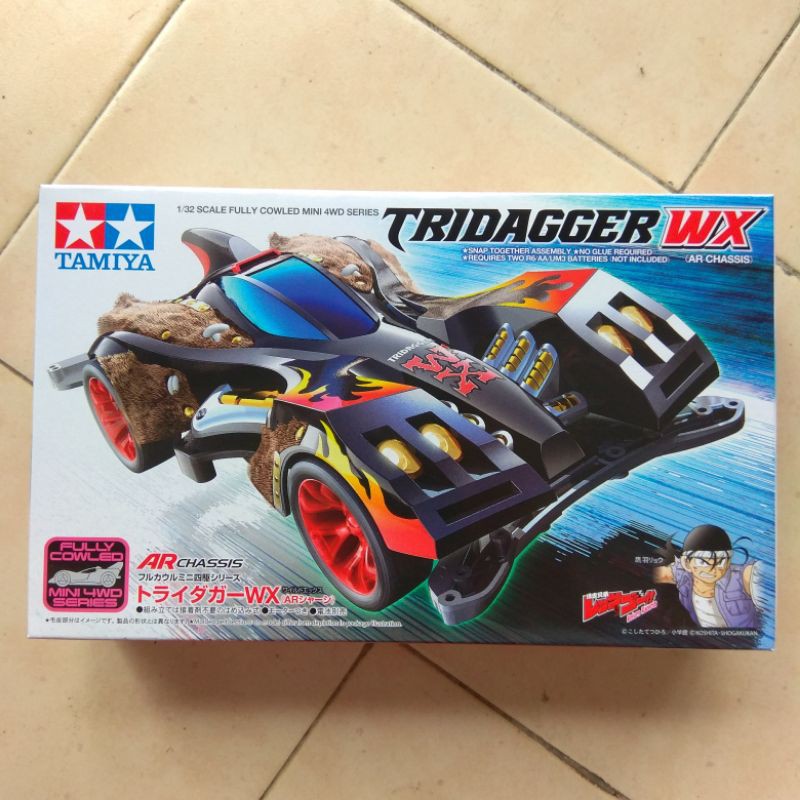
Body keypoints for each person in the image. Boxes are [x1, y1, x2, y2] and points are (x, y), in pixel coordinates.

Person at [653, 524, 766, 629]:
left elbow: (755, 573)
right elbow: (657, 572)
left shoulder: (741, 578)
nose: (711, 569)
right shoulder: (684, 576)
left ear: (727, 562)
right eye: (703, 562)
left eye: (720, 561)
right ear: (687, 563)